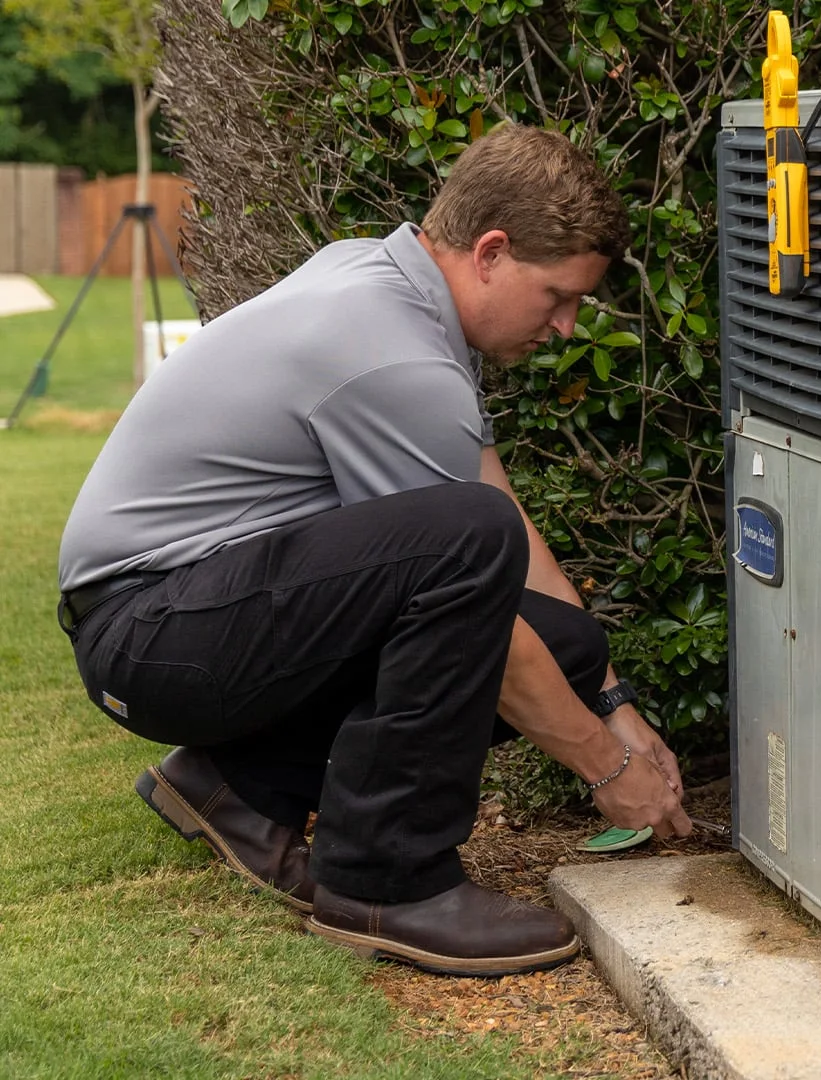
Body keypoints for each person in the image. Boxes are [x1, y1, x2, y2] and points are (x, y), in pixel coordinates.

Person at [54, 123, 693, 978]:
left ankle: (241, 789)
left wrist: (609, 695)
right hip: (150, 634)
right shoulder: (393, 358)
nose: (569, 326)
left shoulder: (389, 288)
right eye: (558, 296)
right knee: (470, 546)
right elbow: (475, 562)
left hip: (184, 618)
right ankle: (389, 881)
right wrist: (608, 765)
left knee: (564, 644)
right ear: (492, 252)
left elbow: (495, 511)